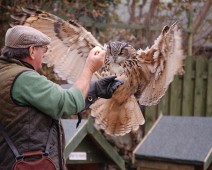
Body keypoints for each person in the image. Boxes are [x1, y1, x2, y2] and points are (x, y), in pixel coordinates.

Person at [0, 25, 123, 170]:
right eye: (43, 49)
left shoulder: (6, 73)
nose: (45, 55)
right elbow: (68, 103)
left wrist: (95, 89)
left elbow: (55, 102)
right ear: (32, 51)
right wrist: (89, 68)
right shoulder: (24, 79)